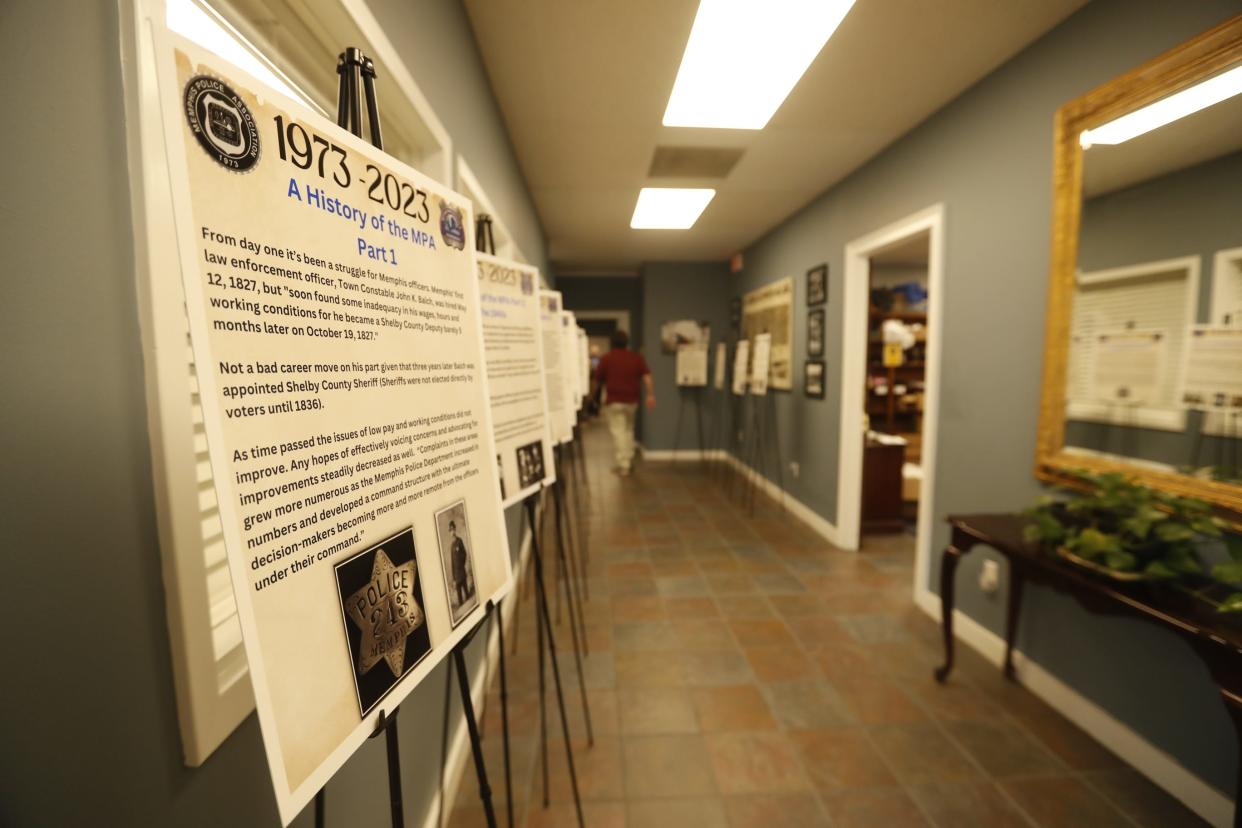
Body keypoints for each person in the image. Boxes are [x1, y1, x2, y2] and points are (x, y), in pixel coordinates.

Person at [594, 329, 654, 475]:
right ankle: (628, 458)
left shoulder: (607, 358)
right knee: (628, 430)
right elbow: (647, 377)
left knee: (619, 431)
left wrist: (592, 397)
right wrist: (650, 395)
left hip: (614, 401)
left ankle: (624, 464)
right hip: (632, 401)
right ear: (627, 342)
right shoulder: (636, 358)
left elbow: (597, 380)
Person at [449, 520, 471, 606]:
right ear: (450, 532)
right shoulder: (451, 546)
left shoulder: (459, 541)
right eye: (450, 530)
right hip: (456, 576)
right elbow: (452, 564)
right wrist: (454, 578)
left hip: (462, 572)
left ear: (455, 530)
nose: (452, 532)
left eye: (453, 529)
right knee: (460, 601)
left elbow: (464, 554)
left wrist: (461, 564)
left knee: (467, 595)